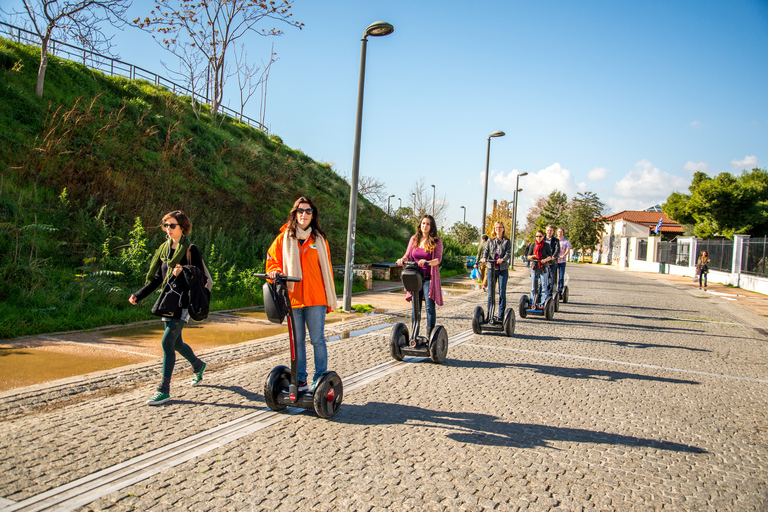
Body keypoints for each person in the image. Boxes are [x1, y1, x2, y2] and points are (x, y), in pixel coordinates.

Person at [130, 210, 208, 406]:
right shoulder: (164, 250)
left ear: (182, 227)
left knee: (167, 343)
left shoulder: (191, 249)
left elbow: (202, 276)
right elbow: (157, 279)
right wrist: (138, 295)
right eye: (166, 225)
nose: (168, 229)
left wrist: (185, 270)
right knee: (176, 343)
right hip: (167, 302)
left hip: (182, 303)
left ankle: (163, 390)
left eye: (172, 225)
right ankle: (198, 365)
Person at [266, 196, 337, 392]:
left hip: (316, 298)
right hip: (294, 297)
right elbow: (272, 259)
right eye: (300, 211)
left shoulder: (320, 240)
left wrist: (329, 298)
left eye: (308, 211)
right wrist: (274, 272)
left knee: (317, 339)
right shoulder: (283, 238)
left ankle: (320, 378)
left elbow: (327, 270)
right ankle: (300, 379)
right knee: (297, 341)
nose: (304, 214)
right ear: (294, 214)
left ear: (313, 215)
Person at [397, 214, 444, 338]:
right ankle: (414, 335)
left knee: (429, 307)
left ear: (431, 226)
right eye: (423, 223)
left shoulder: (436, 240)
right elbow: (407, 255)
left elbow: (438, 259)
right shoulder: (414, 239)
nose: (425, 226)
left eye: (428, 224)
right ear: (420, 225)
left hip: (429, 278)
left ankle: (430, 337)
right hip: (415, 278)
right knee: (415, 308)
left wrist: (427, 262)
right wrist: (402, 259)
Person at [481, 221, 511, 321]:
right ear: (494, 229)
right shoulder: (490, 240)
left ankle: (501, 316)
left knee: (502, 292)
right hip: (492, 269)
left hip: (502, 269)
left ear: (503, 229)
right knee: (491, 293)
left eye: (500, 227)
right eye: (496, 227)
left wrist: (503, 259)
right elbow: (486, 251)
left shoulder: (507, 241)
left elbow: (508, 253)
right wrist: (484, 258)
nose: (498, 229)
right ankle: (489, 315)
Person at [524, 230, 555, 306]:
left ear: (543, 236)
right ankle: (532, 303)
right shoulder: (533, 245)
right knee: (533, 287)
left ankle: (543, 304)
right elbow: (528, 256)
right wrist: (533, 257)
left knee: (544, 287)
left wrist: (545, 260)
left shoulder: (546, 245)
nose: (538, 238)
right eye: (537, 236)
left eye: (540, 236)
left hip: (543, 267)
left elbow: (550, 256)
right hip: (535, 267)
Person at [544, 225, 560, 297]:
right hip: (543, 262)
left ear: (553, 232)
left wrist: (553, 256)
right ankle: (542, 294)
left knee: (551, 279)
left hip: (552, 263)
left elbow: (557, 249)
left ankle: (549, 295)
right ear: (546, 231)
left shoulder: (556, 240)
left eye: (550, 231)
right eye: (548, 230)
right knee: (542, 280)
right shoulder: (542, 239)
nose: (549, 232)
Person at [556, 227, 572, 294]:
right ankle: (552, 288)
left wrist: (564, 255)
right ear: (556, 232)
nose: (560, 233)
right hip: (554, 261)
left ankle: (560, 289)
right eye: (559, 231)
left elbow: (568, 249)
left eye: (561, 232)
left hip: (562, 261)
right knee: (552, 276)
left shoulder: (566, 241)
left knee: (561, 276)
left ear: (563, 233)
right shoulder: (554, 240)